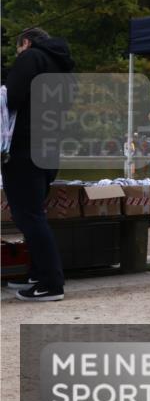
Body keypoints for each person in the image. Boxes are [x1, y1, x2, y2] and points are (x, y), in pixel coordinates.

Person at [3, 28, 75, 301]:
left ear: (26, 42)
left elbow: (13, 98)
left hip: (24, 146)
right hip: (51, 147)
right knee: (35, 212)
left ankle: (50, 283)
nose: (17, 54)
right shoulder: (63, 67)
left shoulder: (30, 57)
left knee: (28, 215)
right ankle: (36, 273)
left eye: (17, 48)